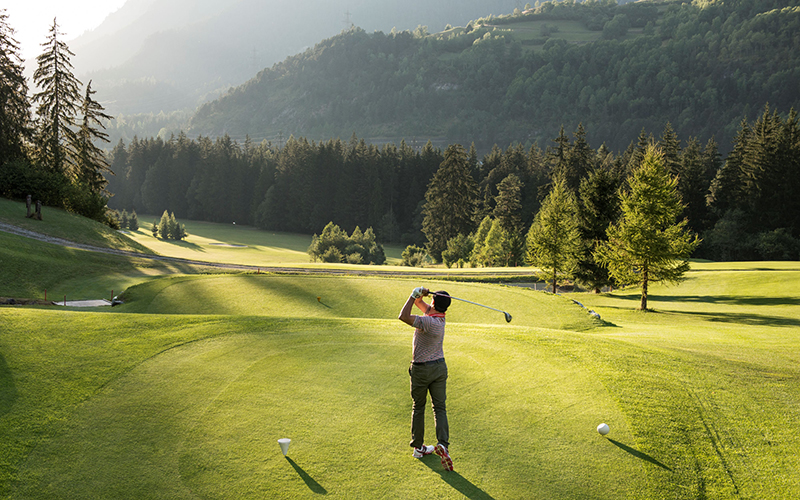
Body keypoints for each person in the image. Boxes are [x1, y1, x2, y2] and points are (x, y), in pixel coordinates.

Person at [398, 286, 454, 471]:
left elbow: (403, 316)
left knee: (419, 407)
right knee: (439, 408)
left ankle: (418, 448)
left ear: (434, 303)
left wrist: (413, 293)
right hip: (439, 368)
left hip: (422, 370)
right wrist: (421, 295)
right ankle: (443, 445)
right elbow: (421, 305)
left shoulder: (427, 322)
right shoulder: (440, 318)